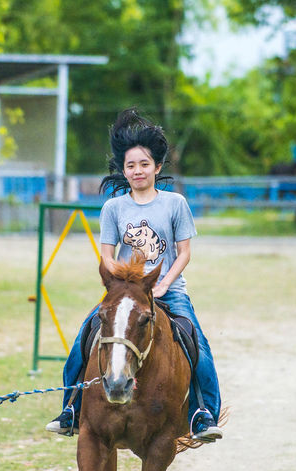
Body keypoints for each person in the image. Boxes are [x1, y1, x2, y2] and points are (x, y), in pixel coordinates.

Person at [45, 108, 223, 441]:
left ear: (157, 167)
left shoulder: (175, 204)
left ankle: (203, 413)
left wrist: (165, 283)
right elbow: (107, 256)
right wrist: (119, 284)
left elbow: (183, 253)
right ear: (123, 171)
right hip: (124, 293)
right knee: (83, 339)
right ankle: (71, 408)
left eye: (144, 164)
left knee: (196, 341)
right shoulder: (113, 208)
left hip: (168, 291)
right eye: (130, 165)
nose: (137, 170)